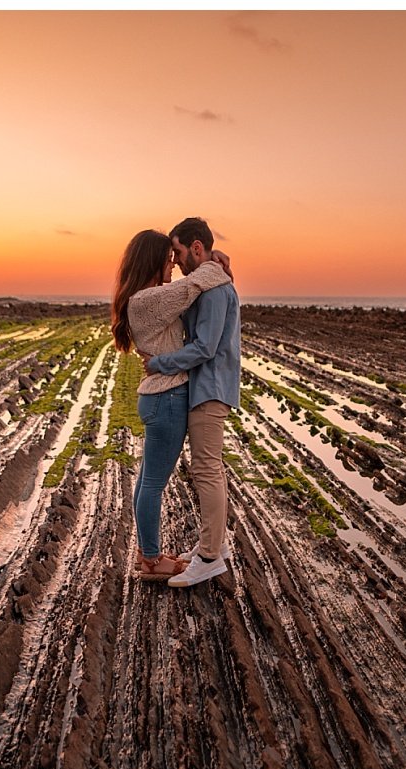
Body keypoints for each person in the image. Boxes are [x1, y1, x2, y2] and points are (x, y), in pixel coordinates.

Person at [110, 229, 232, 581]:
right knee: (152, 484)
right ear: (151, 260)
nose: (174, 264)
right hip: (167, 396)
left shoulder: (143, 298)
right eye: (168, 258)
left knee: (147, 480)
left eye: (174, 256)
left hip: (158, 396)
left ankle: (147, 554)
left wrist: (215, 256)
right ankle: (150, 560)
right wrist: (217, 259)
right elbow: (201, 281)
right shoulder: (149, 299)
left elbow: (196, 281)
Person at [143, 217, 240, 588]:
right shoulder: (208, 284)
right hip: (206, 387)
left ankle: (211, 557)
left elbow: (205, 347)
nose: (178, 260)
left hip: (210, 388)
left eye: (180, 252)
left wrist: (158, 364)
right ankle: (212, 545)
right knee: (209, 470)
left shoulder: (214, 290)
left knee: (205, 471)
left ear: (197, 248)